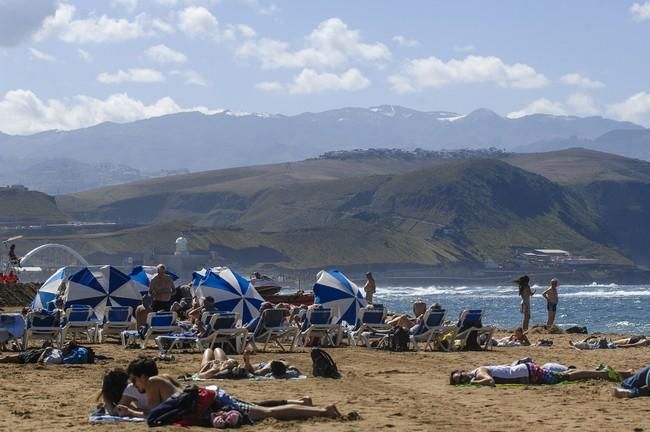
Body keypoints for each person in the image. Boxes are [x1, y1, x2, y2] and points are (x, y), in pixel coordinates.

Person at [124, 357, 341, 422]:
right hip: (212, 394)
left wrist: (128, 411)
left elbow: (152, 414)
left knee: (264, 413)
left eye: (134, 380)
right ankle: (304, 404)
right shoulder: (164, 377)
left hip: (211, 400)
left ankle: (324, 411)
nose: (135, 385)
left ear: (143, 376)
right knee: (257, 409)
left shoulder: (152, 382)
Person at [450, 361, 631, 387]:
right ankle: (613, 373)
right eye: (460, 381)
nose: (463, 379)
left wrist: (474, 383)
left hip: (529, 373)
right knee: (569, 373)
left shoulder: (478, 372)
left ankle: (606, 374)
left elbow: (489, 381)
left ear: (462, 371)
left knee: (568, 376)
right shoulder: (477, 371)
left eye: (461, 377)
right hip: (527, 370)